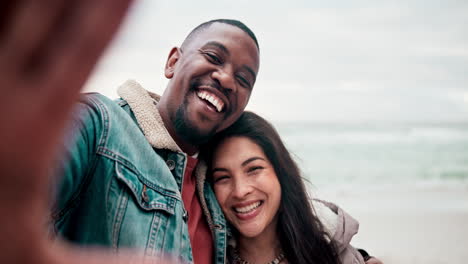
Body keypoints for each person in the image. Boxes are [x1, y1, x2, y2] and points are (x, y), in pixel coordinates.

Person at [0, 1, 382, 263]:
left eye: (244, 79)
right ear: (172, 61)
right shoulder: (99, 126)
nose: (226, 78)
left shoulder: (213, 187)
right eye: (214, 57)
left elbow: (279, 216)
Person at [206, 111, 382, 264]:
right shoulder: (202, 256)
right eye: (223, 177)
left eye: (254, 169)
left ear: (281, 173)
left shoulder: (333, 254)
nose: (240, 190)